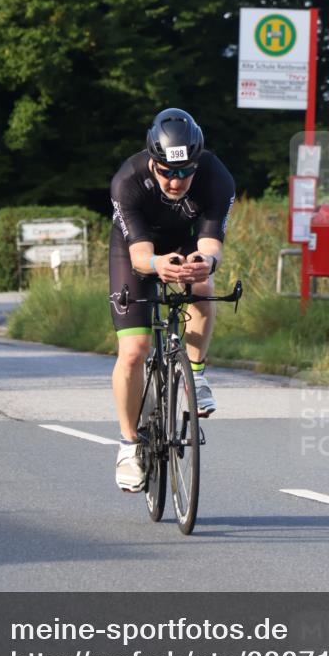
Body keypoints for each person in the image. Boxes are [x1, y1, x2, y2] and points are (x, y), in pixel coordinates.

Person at [109, 108, 236, 492]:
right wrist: (155, 264)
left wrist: (206, 261)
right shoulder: (128, 180)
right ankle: (129, 445)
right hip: (137, 250)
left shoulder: (217, 178)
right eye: (166, 171)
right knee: (134, 350)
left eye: (185, 172)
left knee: (202, 283)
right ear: (153, 161)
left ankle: (195, 375)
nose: (176, 180)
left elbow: (212, 242)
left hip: (185, 243)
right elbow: (138, 256)